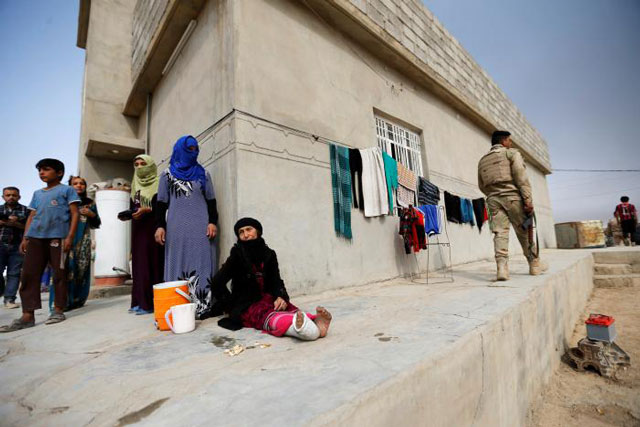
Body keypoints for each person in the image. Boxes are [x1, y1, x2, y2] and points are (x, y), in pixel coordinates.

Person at [211, 218, 332, 341]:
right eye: (241, 232)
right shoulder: (236, 255)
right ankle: (307, 331)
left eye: (249, 230)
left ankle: (317, 325)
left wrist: (281, 297)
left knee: (291, 310)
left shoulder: (269, 254)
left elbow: (276, 280)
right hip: (248, 304)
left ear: (258, 231)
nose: (246, 235)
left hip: (269, 299)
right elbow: (217, 282)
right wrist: (231, 306)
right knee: (268, 317)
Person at [0, 159, 80, 332]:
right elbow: (31, 216)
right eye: (39, 170)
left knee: (59, 273)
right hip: (35, 237)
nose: (41, 173)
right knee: (28, 274)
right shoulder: (37, 193)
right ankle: (27, 315)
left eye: (46, 169)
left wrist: (70, 237)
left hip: (58, 238)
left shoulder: (67, 190)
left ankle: (58, 310)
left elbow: (75, 214)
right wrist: (25, 237)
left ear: (59, 173)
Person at [155, 135, 219, 319]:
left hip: (201, 229)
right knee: (178, 263)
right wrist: (160, 226)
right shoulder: (167, 175)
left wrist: (212, 221)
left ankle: (202, 308)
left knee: (201, 264)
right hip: (176, 230)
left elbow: (211, 201)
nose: (193, 152)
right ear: (180, 150)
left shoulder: (203, 174)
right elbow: (161, 203)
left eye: (195, 149)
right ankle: (176, 307)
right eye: (189, 149)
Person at [477, 130, 547, 281]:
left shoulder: (482, 160)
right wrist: (528, 201)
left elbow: (481, 185)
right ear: (503, 141)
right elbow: (521, 177)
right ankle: (534, 264)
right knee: (524, 231)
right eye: (509, 140)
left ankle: (502, 269)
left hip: (493, 200)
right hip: (513, 198)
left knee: (499, 233)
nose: (510, 143)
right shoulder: (511, 154)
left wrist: (494, 193)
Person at [49, 176, 101, 311]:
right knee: (63, 270)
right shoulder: (62, 200)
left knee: (81, 271)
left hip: (83, 241)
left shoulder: (89, 202)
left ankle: (77, 300)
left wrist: (92, 215)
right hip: (63, 239)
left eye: (82, 183)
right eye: (75, 183)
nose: (79, 186)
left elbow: (97, 223)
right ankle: (60, 303)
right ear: (69, 186)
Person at [123, 154, 164, 315]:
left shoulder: (159, 184)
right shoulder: (135, 186)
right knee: (139, 266)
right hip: (138, 230)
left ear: (151, 166)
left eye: (143, 164)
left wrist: (148, 210)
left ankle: (150, 303)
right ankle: (139, 301)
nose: (139, 167)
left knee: (152, 264)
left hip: (153, 229)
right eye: (137, 164)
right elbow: (134, 207)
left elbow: (163, 208)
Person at [0, 187, 29, 308]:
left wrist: (15, 223)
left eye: (14, 195)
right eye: (8, 195)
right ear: (3, 197)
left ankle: (9, 299)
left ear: (19, 197)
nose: (11, 197)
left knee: (14, 273)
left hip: (17, 246)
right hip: (0, 244)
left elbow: (29, 227)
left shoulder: (25, 210)